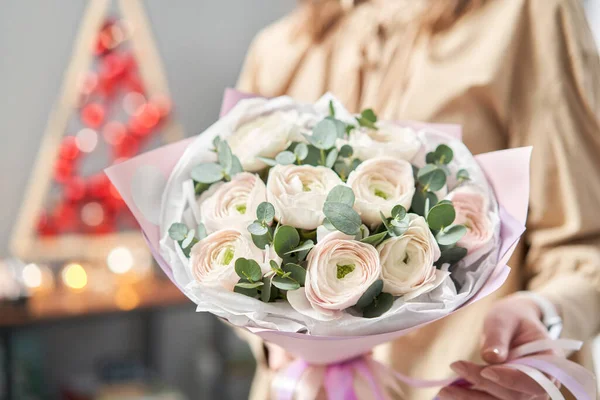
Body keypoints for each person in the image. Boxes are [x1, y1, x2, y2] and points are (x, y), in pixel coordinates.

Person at [236, 0, 600, 398]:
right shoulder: (280, 47)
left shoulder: (526, 14)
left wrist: (545, 314)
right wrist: (273, 339)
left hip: (463, 383)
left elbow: (581, 239)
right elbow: (224, 242)